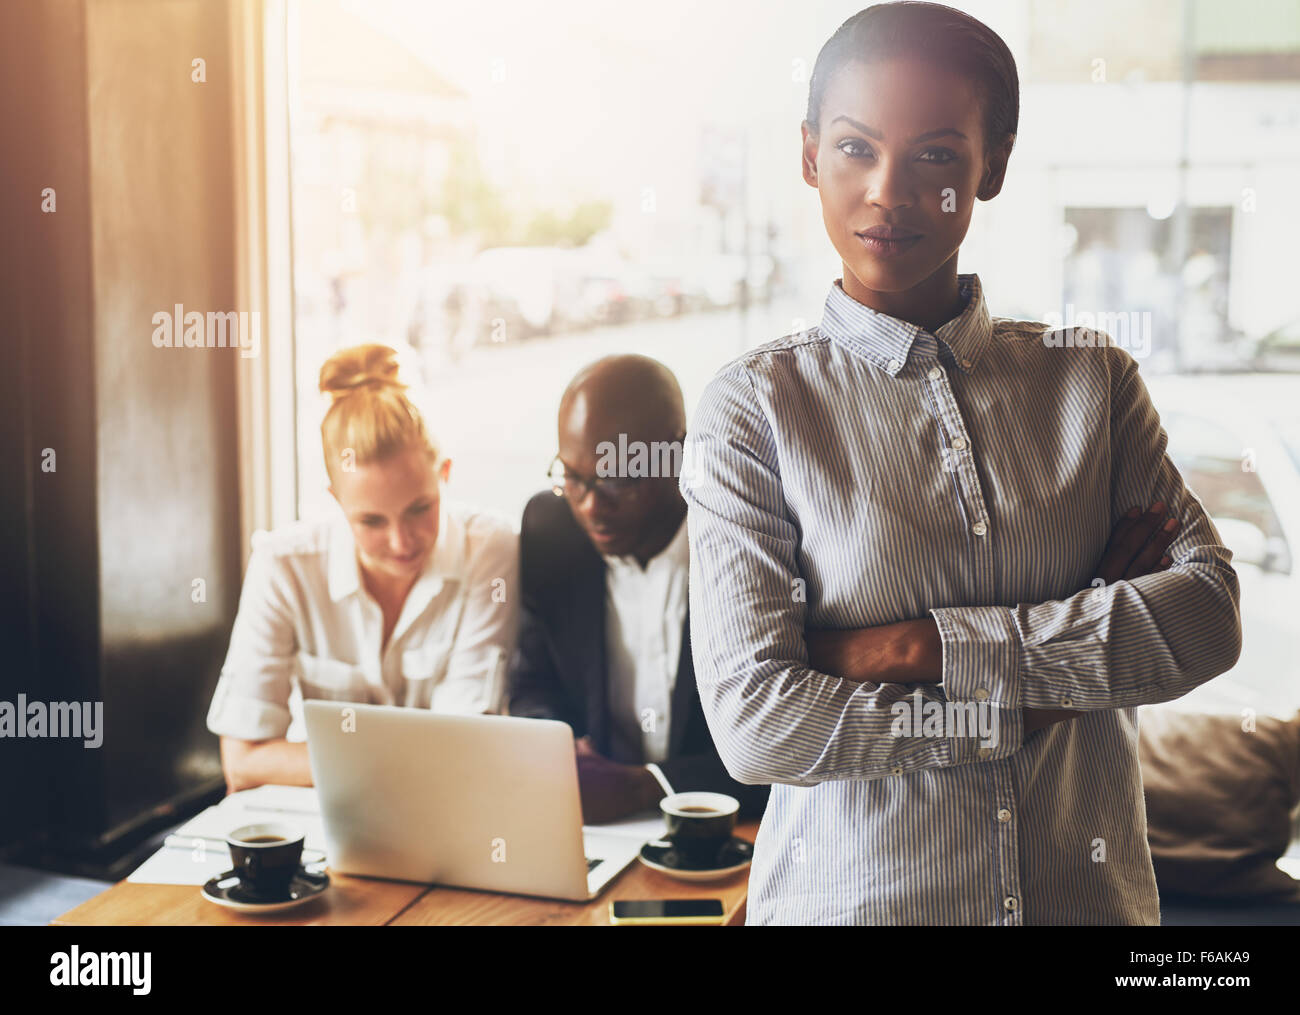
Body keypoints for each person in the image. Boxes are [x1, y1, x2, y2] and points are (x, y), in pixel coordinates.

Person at [680, 2, 1241, 925]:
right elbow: (757, 724)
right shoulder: (753, 409)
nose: (889, 191)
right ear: (811, 154)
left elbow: (1208, 616)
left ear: (996, 164)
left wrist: (915, 648)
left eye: (937, 154)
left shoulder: (1091, 381)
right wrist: (1043, 690)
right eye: (857, 147)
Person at [207, 344, 518, 793]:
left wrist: (332, 765)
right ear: (335, 500)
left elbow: (464, 751)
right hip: (323, 824)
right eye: (371, 520)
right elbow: (243, 764)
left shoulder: (489, 548)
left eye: (419, 509)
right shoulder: (282, 565)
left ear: (444, 474)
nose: (401, 541)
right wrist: (410, 766)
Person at [508, 355, 769, 823]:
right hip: (596, 828)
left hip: (728, 829)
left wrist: (644, 787)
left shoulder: (747, 541)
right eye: (572, 476)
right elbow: (532, 683)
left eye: (616, 480)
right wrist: (555, 746)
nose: (590, 507)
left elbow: (782, 741)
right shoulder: (551, 530)